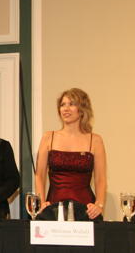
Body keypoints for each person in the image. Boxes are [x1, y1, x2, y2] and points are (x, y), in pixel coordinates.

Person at [34, 88, 106, 220]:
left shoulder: (95, 140)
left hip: (86, 210)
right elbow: (39, 175)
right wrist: (41, 202)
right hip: (53, 208)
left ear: (82, 109)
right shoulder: (48, 137)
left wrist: (99, 204)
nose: (66, 108)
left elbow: (100, 179)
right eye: (63, 105)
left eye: (71, 104)